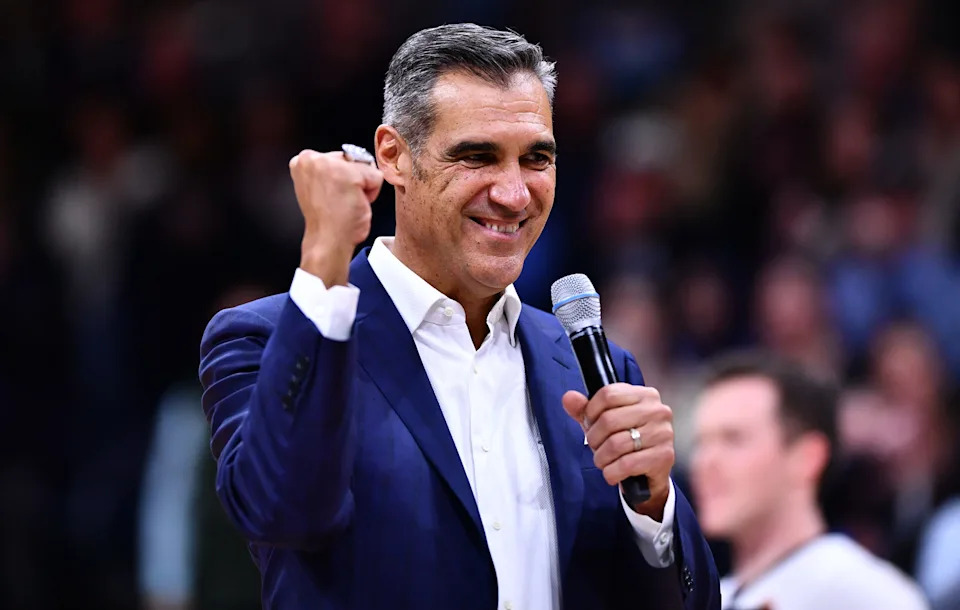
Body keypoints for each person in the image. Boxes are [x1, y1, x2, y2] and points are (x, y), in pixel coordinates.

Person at [199, 23, 719, 610]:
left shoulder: (594, 367)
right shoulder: (269, 340)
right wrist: (325, 257)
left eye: (536, 159)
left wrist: (653, 511)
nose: (515, 194)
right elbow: (284, 513)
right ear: (394, 156)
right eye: (478, 157)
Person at [690, 351, 928, 610]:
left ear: (807, 458)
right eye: (701, 443)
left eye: (733, 439)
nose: (705, 462)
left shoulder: (868, 594)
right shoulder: (709, 599)